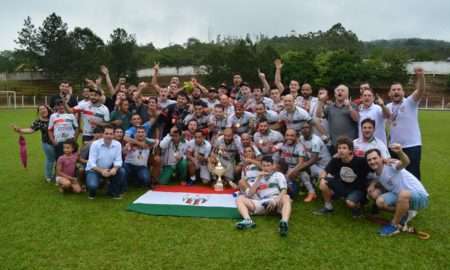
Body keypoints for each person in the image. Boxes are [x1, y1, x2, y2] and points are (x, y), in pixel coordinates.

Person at [366, 145, 429, 236]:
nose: (372, 161)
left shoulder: (391, 165)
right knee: (379, 202)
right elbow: (378, 178)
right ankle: (405, 214)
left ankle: (394, 225)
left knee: (403, 194)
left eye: (374, 158)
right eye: (369, 160)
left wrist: (399, 152)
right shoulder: (376, 174)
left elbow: (405, 162)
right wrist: (372, 185)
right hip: (400, 195)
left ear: (381, 158)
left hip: (420, 196)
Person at [314, 136, 371, 218]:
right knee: (323, 183)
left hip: (357, 189)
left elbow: (373, 169)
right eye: (339, 148)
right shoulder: (336, 160)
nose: (341, 150)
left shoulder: (360, 161)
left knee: (350, 203)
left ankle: (358, 207)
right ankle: (328, 207)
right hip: (342, 186)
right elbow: (325, 171)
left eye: (344, 148)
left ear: (350, 150)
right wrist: (322, 178)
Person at [235, 156, 292, 237]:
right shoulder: (259, 177)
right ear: (261, 166)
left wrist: (275, 201)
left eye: (268, 165)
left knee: (286, 197)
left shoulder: (278, 175)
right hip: (262, 202)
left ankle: (284, 222)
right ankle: (248, 220)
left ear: (273, 166)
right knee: (240, 199)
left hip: (276, 201)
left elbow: (284, 190)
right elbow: (250, 194)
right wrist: (258, 178)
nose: (266, 168)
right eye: (264, 166)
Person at [386, 67, 425, 180]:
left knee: (413, 174)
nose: (396, 91)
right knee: (396, 173)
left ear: (403, 92)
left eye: (399, 89)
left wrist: (421, 76)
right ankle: (400, 195)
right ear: (390, 93)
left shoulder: (410, 102)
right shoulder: (388, 107)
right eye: (393, 90)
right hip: (393, 147)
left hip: (412, 146)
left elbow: (420, 90)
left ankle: (416, 197)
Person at [11, 105, 55, 182]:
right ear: (39, 112)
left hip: (59, 142)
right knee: (50, 160)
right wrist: (19, 130)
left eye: (44, 108)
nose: (43, 110)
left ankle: (58, 176)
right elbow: (31, 129)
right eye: (40, 109)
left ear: (47, 109)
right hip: (47, 144)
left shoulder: (54, 117)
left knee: (59, 159)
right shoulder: (38, 121)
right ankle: (48, 176)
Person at [85, 125, 125, 199]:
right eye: (106, 133)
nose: (109, 136)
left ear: (113, 135)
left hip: (108, 169)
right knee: (92, 185)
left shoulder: (117, 144)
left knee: (121, 171)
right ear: (102, 134)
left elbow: (118, 160)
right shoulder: (95, 144)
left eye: (111, 134)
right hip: (94, 170)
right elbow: (91, 162)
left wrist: (115, 169)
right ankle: (92, 192)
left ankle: (113, 191)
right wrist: (102, 171)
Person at [316, 84, 359, 153]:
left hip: (350, 145)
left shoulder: (353, 105)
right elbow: (318, 115)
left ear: (347, 94)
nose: (340, 92)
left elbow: (356, 119)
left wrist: (349, 107)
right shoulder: (330, 107)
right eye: (338, 90)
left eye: (342, 90)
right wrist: (321, 102)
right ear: (335, 94)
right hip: (335, 145)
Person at [298, 122, 332, 202]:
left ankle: (314, 183)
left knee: (301, 168)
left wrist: (297, 169)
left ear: (311, 129)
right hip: (315, 165)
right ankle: (311, 192)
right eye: (302, 128)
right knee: (302, 170)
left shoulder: (315, 140)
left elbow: (314, 159)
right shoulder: (301, 138)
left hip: (326, 167)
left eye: (307, 127)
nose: (305, 129)